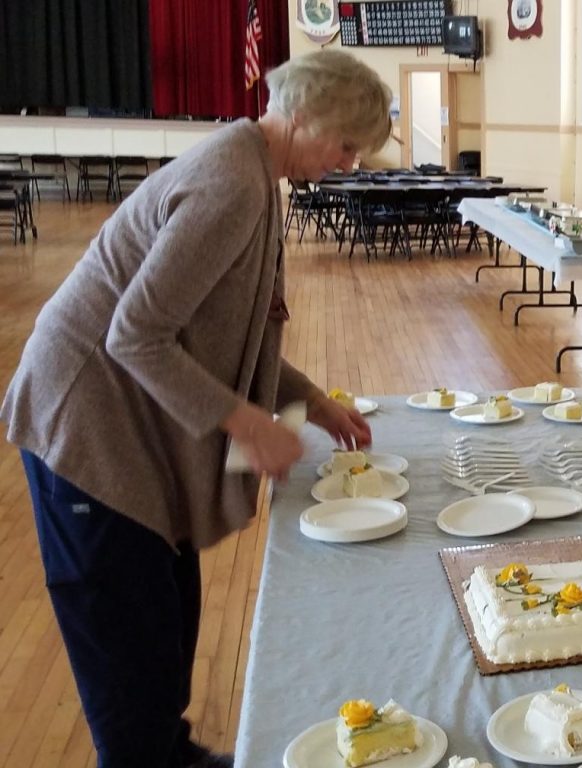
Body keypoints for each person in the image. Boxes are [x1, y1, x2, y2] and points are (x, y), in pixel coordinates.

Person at [0, 50, 391, 768]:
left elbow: (231, 331)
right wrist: (251, 425)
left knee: (167, 622)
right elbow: (136, 335)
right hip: (86, 430)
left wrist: (311, 403)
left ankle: (166, 750)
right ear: (301, 116)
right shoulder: (230, 183)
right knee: (130, 655)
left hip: (124, 423)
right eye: (344, 143)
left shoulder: (254, 171)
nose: (349, 160)